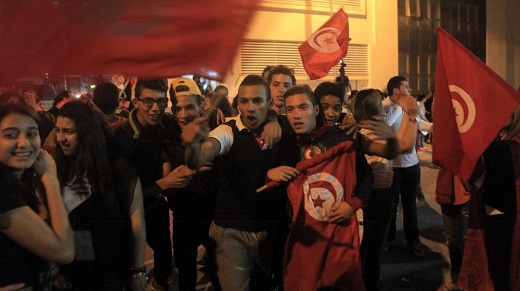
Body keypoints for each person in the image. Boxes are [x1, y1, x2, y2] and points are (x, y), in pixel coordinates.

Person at [181, 74, 290, 290]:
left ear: (269, 104)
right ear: (237, 103)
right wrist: (194, 145)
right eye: (244, 101)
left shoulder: (282, 126)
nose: (250, 107)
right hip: (231, 232)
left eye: (257, 101)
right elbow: (199, 158)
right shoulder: (227, 130)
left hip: (269, 231)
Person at [268, 84, 373, 290]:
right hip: (302, 235)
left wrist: (353, 204)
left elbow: (366, 175)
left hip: (336, 230)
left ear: (316, 111)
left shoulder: (340, 138)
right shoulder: (286, 143)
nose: (297, 115)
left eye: (303, 108)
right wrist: (269, 173)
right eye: (290, 110)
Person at [51, 100, 147, 290]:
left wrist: (138, 271)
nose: (61, 138)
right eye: (58, 130)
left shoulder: (117, 167)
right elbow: (47, 220)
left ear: (88, 134)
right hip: (72, 271)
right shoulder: (56, 168)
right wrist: (54, 269)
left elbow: (137, 220)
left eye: (68, 131)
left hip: (111, 270)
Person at [0, 104, 74, 289]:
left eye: (32, 133)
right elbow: (64, 251)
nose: (24, 143)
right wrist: (50, 179)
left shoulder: (19, 183)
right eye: (10, 135)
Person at [112, 79, 177, 291]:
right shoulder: (124, 138)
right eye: (148, 101)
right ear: (136, 102)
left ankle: (160, 283)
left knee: (164, 256)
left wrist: (214, 112)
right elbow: (127, 193)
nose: (155, 108)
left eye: (161, 101)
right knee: (129, 263)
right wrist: (165, 183)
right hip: (128, 211)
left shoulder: (165, 123)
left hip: (155, 204)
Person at [353, 89, 418, 291]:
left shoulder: (361, 127)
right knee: (374, 246)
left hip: (371, 192)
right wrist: (412, 116)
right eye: (380, 101)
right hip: (377, 193)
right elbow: (404, 146)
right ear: (374, 105)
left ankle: (363, 280)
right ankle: (369, 284)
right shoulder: (373, 129)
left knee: (369, 243)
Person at [164, 77, 222, 291]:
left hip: (213, 219)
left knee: (219, 277)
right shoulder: (167, 134)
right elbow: (166, 186)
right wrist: (184, 172)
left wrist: (272, 117)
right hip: (183, 220)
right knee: (186, 279)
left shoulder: (219, 129)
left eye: (189, 107)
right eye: (177, 108)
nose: (183, 115)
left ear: (202, 104)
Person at [456, 106, 520, 291]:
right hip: (501, 211)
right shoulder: (505, 142)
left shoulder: (505, 147)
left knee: (499, 268)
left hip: (503, 214)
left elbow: (492, 181)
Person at [383, 76, 426, 257]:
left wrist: (434, 127)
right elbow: (386, 125)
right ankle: (388, 238)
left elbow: (420, 123)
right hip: (393, 166)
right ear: (395, 90)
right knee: (391, 205)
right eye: (406, 86)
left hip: (412, 165)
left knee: (410, 205)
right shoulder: (385, 106)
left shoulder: (410, 107)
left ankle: (413, 239)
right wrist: (403, 108)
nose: (409, 90)